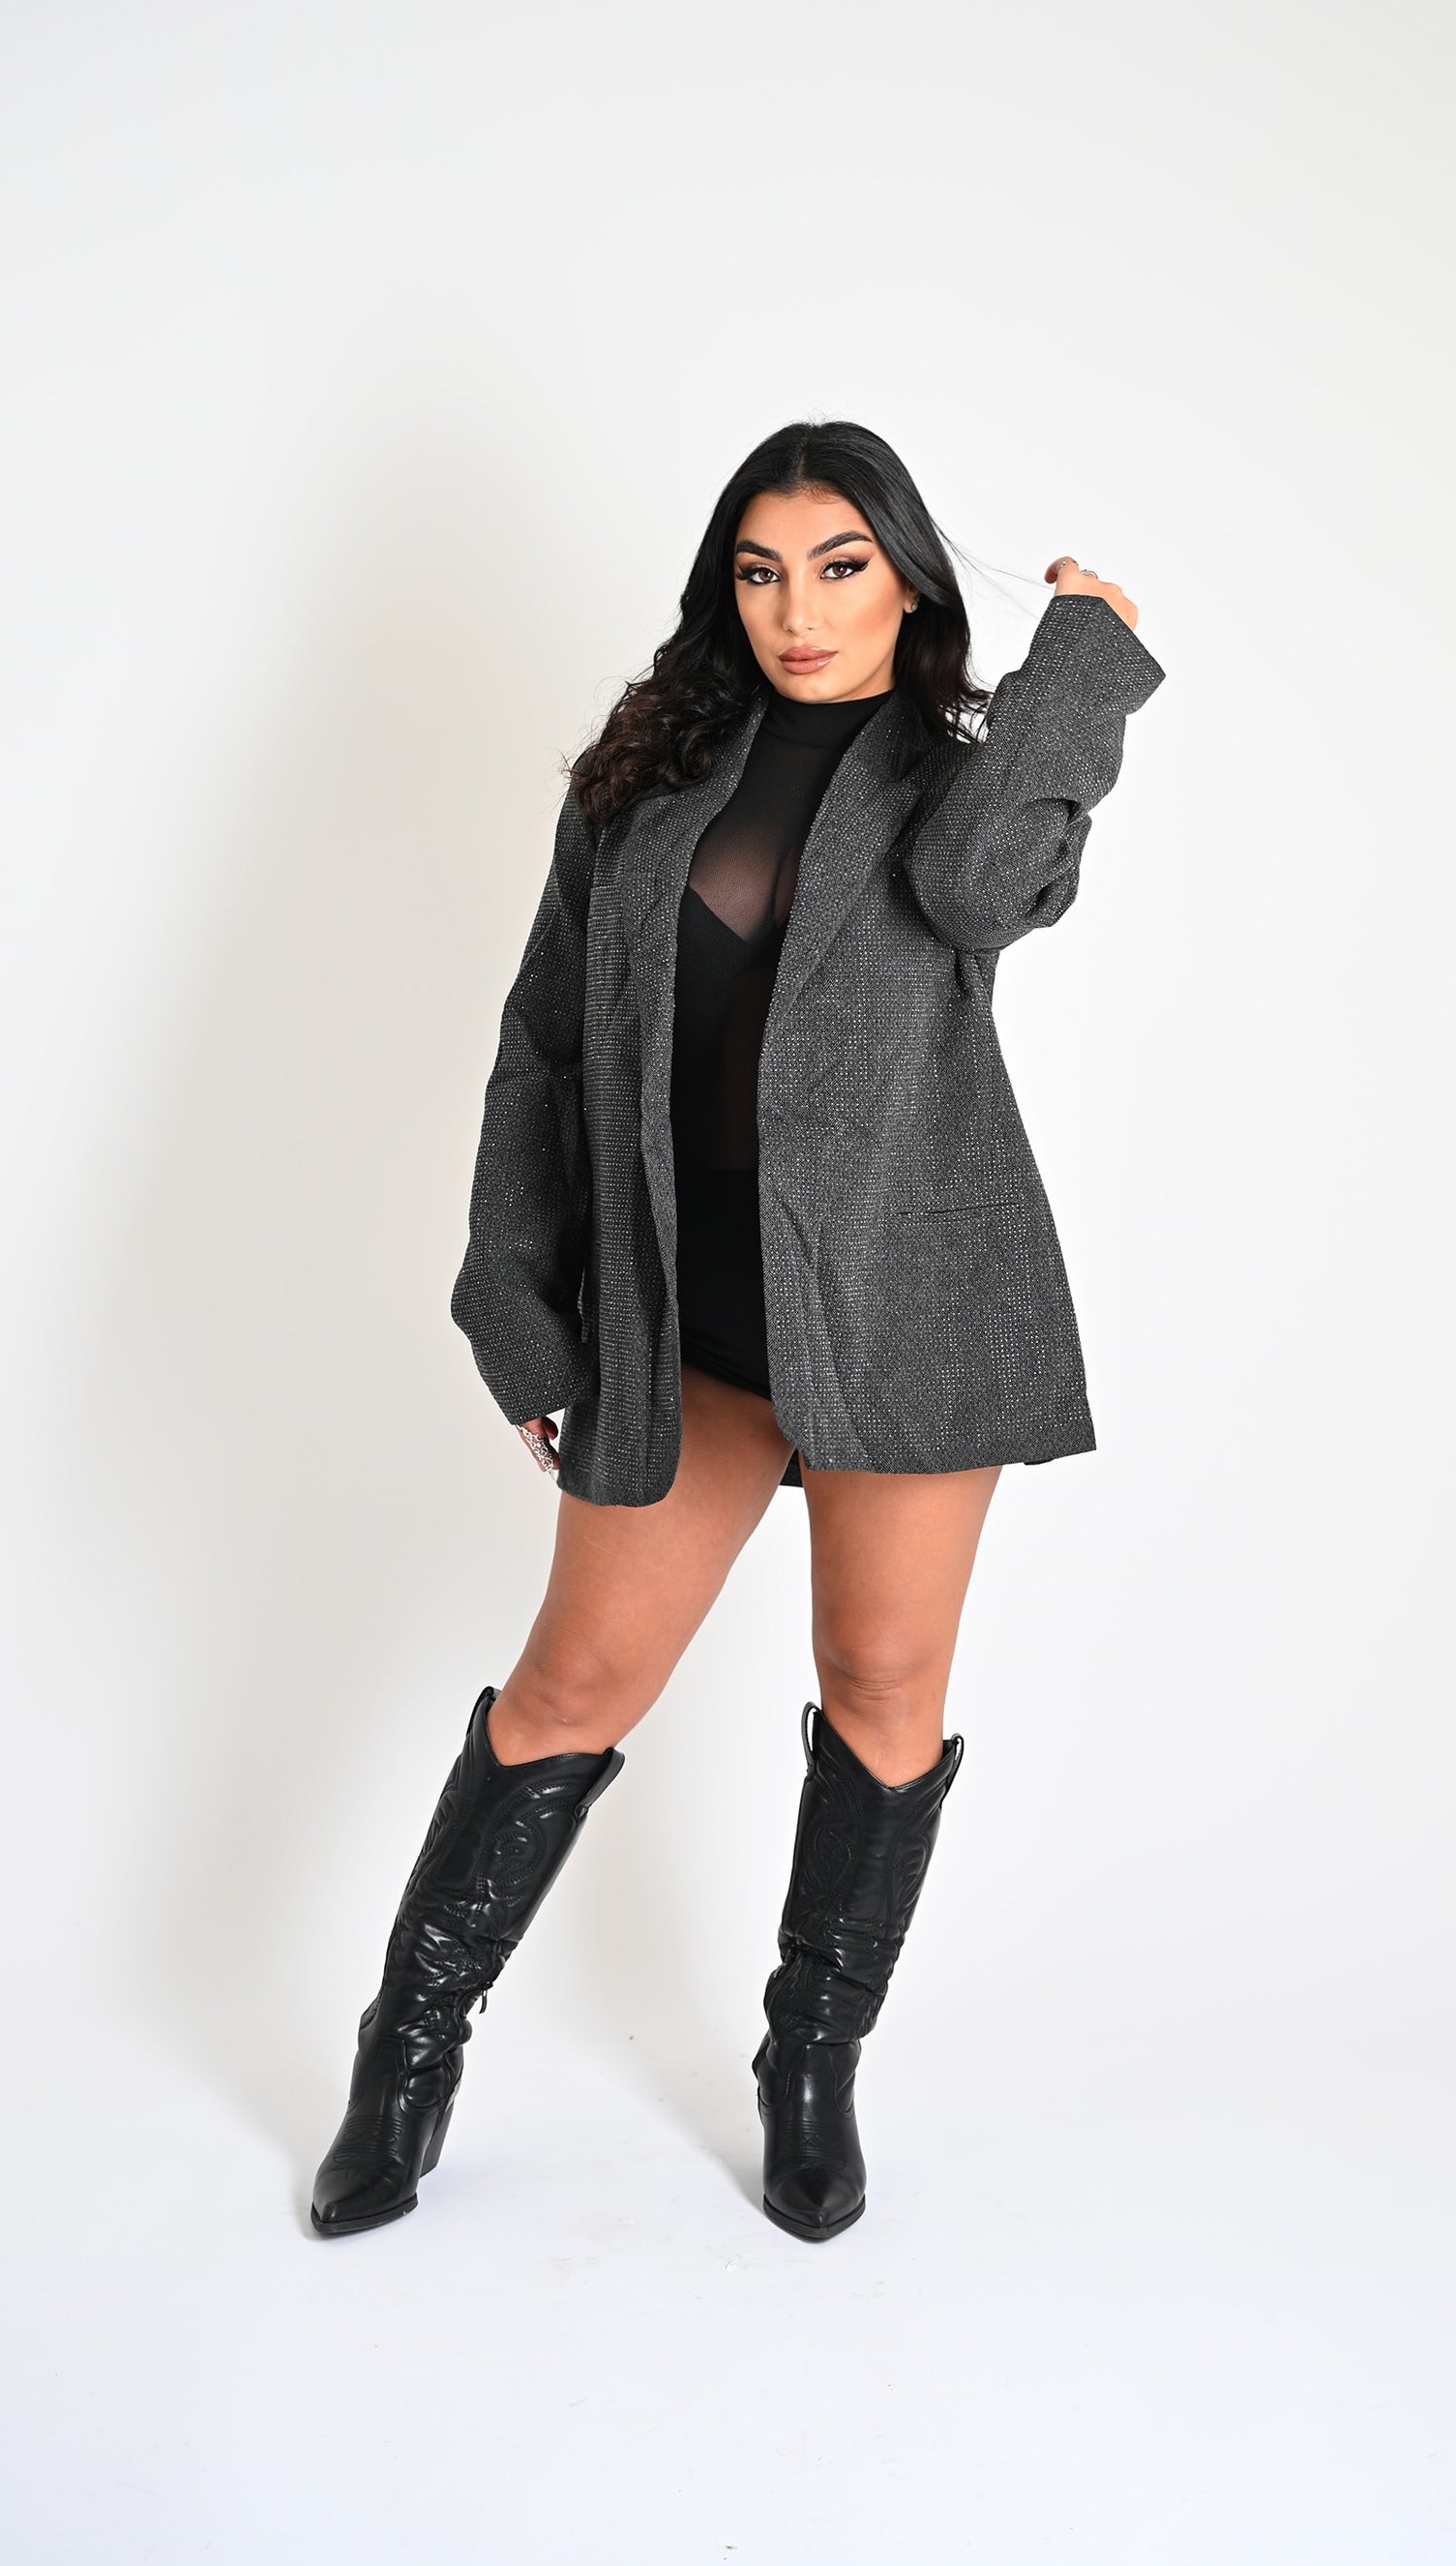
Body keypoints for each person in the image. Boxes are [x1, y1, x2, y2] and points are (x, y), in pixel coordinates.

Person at [311, 421, 1166, 2241]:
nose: (799, 610)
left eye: (841, 568)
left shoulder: (965, 782)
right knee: (570, 1687)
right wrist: (515, 1300)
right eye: (762, 572)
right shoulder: (640, 781)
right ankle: (405, 2054)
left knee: (882, 1685)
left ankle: (810, 2066)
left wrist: (1082, 660)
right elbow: (542, 1044)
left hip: (906, 1303)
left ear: (909, 581)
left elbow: (975, 894)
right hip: (681, 1314)